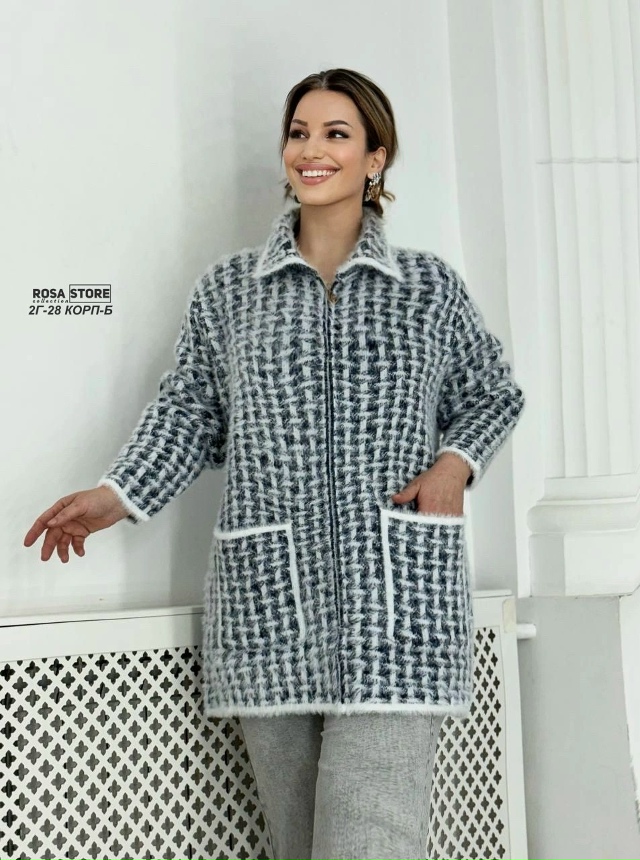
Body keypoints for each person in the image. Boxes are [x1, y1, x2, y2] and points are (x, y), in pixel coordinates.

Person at [24, 68, 525, 860]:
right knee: (299, 846)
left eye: (336, 134)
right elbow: (190, 412)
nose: (311, 149)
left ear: (376, 158)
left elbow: (492, 393)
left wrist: (454, 465)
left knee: (369, 843)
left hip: (399, 609)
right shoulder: (228, 292)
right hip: (268, 611)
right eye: (299, 132)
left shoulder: (428, 289)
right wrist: (115, 496)